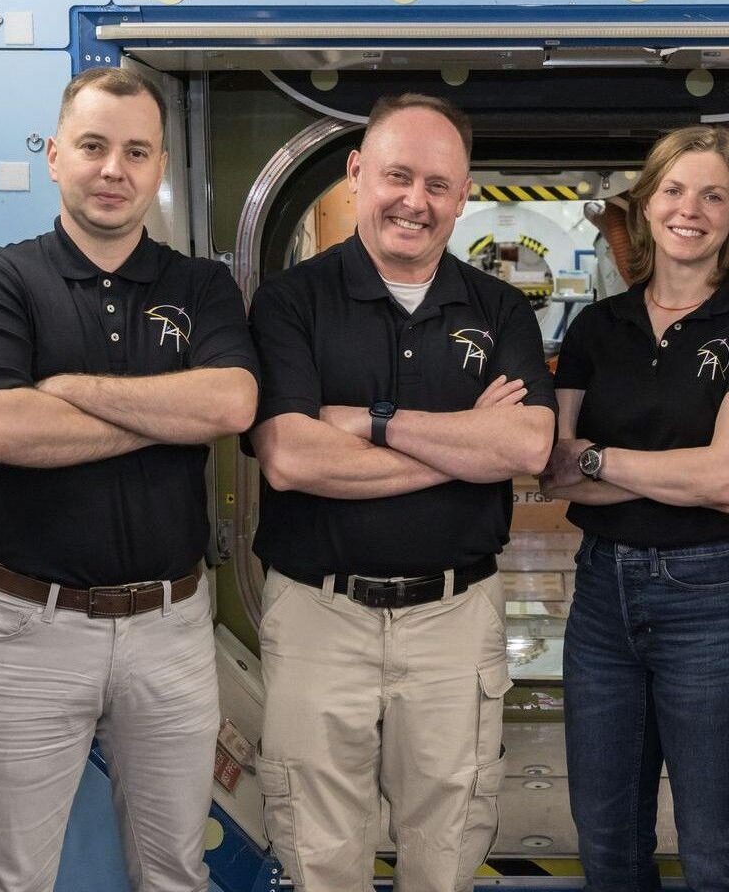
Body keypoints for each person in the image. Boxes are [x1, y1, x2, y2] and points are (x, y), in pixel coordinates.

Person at [0, 67, 259, 892]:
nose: (114, 170)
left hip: (171, 629)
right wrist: (166, 413)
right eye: (93, 146)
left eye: (136, 152)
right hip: (28, 630)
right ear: (55, 156)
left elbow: (231, 403)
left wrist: (67, 391)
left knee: (174, 872)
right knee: (9, 879)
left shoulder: (201, 286)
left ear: (159, 169)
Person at [246, 93, 556, 892]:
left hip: (456, 618)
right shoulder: (290, 301)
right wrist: (467, 446)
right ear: (356, 173)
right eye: (397, 176)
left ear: (463, 196)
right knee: (319, 853)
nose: (415, 201)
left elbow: (527, 445)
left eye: (438, 185)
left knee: (447, 849)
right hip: (318, 614)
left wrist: (370, 422)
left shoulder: (498, 308)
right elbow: (289, 457)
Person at [539, 125, 729, 892]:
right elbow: (555, 471)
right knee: (607, 843)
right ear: (646, 206)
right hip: (601, 601)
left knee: (716, 851)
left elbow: (727, 479)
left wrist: (601, 459)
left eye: (713, 196)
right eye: (674, 191)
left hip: (713, 600)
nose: (691, 209)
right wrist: (670, 471)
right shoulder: (596, 328)